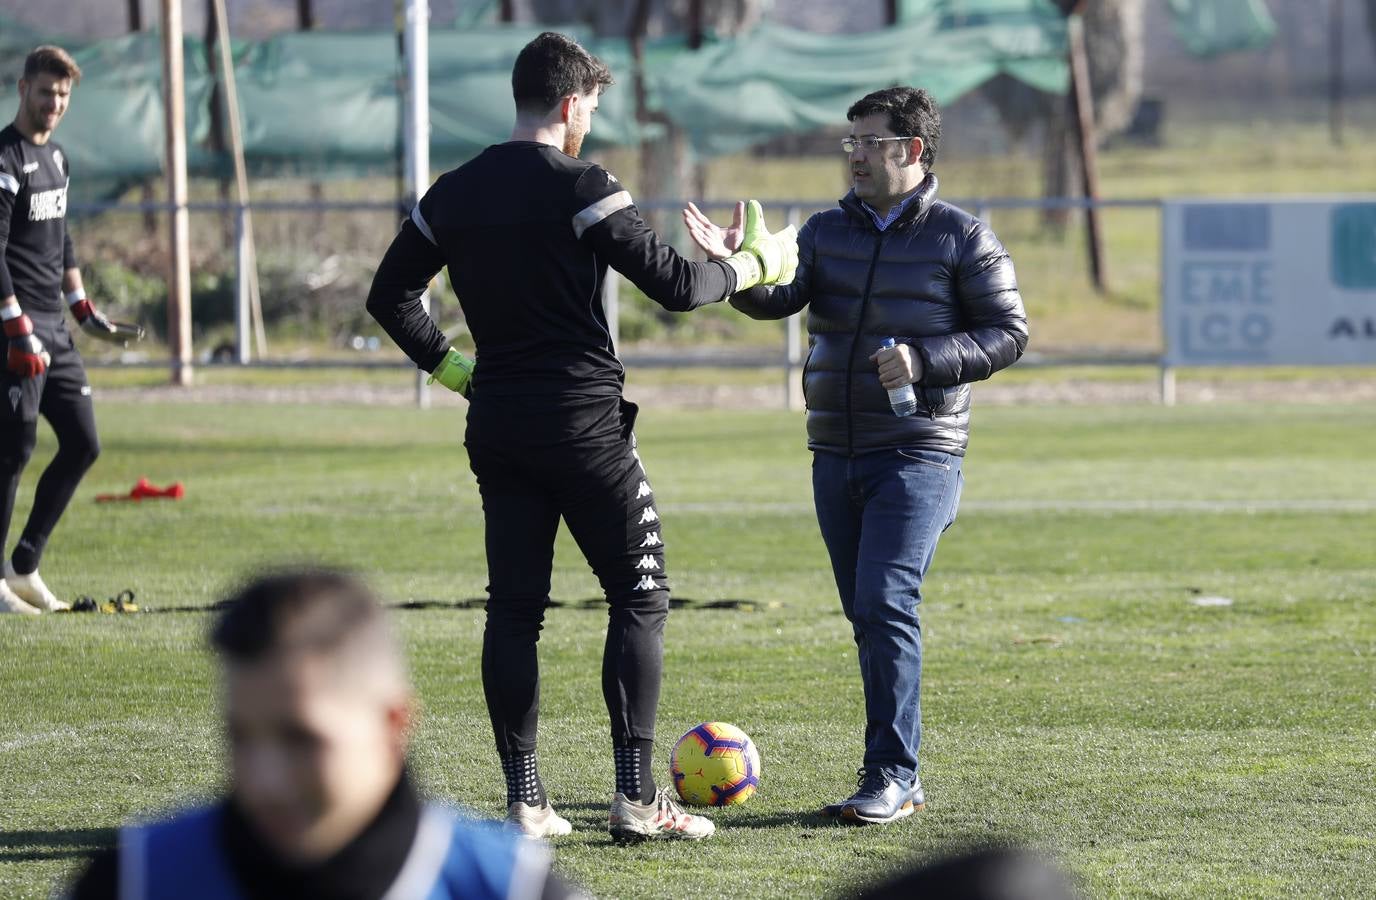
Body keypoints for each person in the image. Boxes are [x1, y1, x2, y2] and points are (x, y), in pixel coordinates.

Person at [365, 31, 796, 842]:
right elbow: (673, 284)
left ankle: (526, 804)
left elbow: (390, 296)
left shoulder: (452, 192)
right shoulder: (583, 184)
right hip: (584, 427)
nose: (589, 124)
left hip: (496, 425)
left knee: (515, 611)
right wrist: (750, 266)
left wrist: (456, 372)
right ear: (570, 105)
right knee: (640, 597)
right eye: (590, 109)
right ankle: (637, 801)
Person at [684, 86, 1028, 824]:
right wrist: (735, 273)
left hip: (919, 453)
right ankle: (897, 776)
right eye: (850, 143)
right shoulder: (823, 231)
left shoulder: (963, 238)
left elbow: (1008, 334)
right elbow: (784, 299)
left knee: (884, 602)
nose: (856, 156)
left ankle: (892, 775)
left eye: (869, 143)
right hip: (833, 454)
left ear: (913, 150)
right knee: (867, 613)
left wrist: (926, 359)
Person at [66, 569, 583, 899]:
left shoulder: (511, 887)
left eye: (301, 740)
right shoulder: (133, 881)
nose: (263, 780)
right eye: (240, 737)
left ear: (395, 725)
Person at [0, 45, 142, 615]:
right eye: (45, 92)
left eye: (62, 95)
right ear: (22, 89)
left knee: (84, 443)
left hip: (55, 332)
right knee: (14, 451)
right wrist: (16, 328)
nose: (54, 103)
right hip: (15, 331)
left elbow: (61, 239)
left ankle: (24, 566)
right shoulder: (5, 160)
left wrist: (85, 312)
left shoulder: (57, 158)